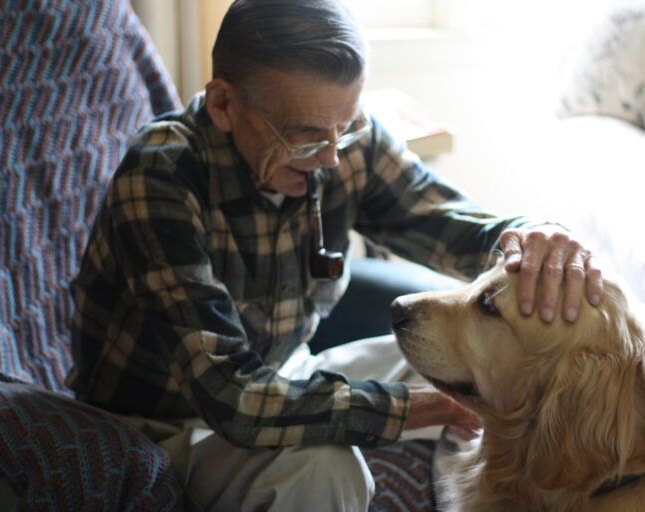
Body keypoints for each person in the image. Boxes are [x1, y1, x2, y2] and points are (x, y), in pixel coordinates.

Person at [68, 0, 603, 510]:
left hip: (288, 371)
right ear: (224, 104)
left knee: (490, 359)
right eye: (304, 136)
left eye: (344, 129)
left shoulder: (342, 143)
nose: (328, 159)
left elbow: (455, 225)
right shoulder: (160, 176)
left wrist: (537, 241)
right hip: (169, 423)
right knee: (327, 466)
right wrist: (418, 407)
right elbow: (228, 396)